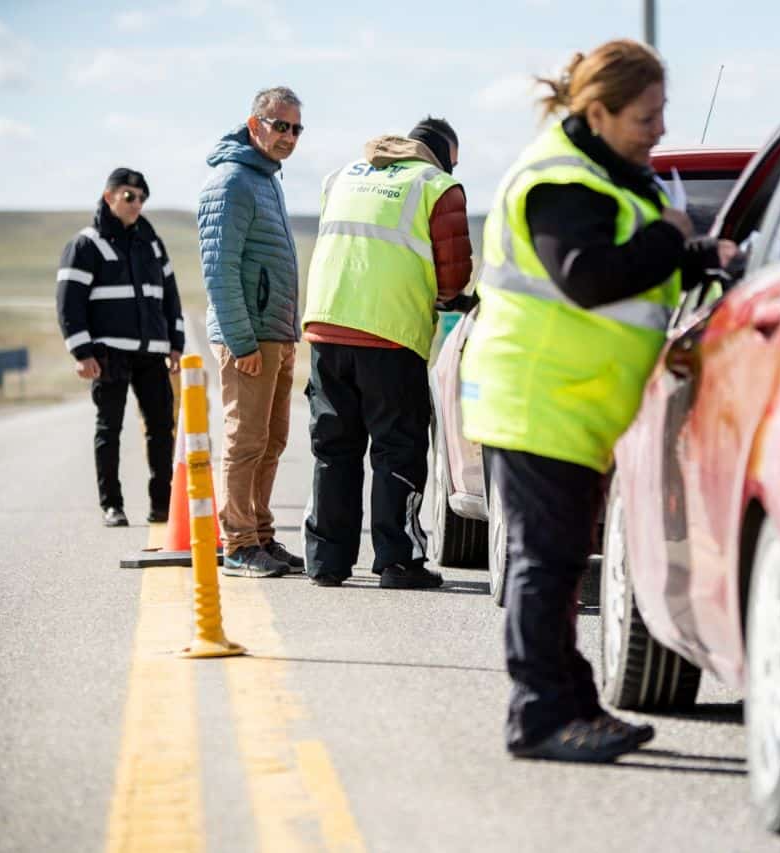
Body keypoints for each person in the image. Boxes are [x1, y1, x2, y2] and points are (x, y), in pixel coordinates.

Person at [459, 39, 739, 762]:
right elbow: (587, 276)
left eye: (662, 113)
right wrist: (671, 237)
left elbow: (635, 268)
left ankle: (575, 704)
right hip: (538, 399)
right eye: (647, 116)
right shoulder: (561, 181)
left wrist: (696, 256)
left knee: (555, 563)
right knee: (544, 564)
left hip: (573, 404)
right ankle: (539, 717)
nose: (660, 129)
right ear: (600, 111)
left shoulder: (608, 174)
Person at [301, 117, 473, 589]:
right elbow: (453, 278)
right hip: (390, 335)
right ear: (440, 154)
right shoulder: (438, 186)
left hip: (325, 327)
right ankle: (398, 560)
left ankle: (326, 561)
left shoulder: (342, 177)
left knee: (334, 447)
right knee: (398, 449)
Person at [198, 86, 305, 579]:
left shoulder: (266, 180)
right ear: (254, 122)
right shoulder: (232, 182)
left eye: (296, 128)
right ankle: (238, 542)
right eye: (280, 125)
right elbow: (219, 271)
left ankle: (260, 533)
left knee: (272, 439)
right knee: (245, 440)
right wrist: (242, 344)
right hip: (249, 338)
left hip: (276, 334)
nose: (288, 136)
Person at [56, 168, 183, 528]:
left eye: (142, 198)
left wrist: (176, 343)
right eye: (130, 196)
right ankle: (112, 505)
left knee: (161, 426)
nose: (137, 204)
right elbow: (69, 302)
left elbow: (169, 295)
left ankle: (163, 505)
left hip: (151, 353)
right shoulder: (86, 244)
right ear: (109, 195)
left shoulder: (152, 243)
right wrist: (82, 352)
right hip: (108, 354)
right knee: (109, 428)